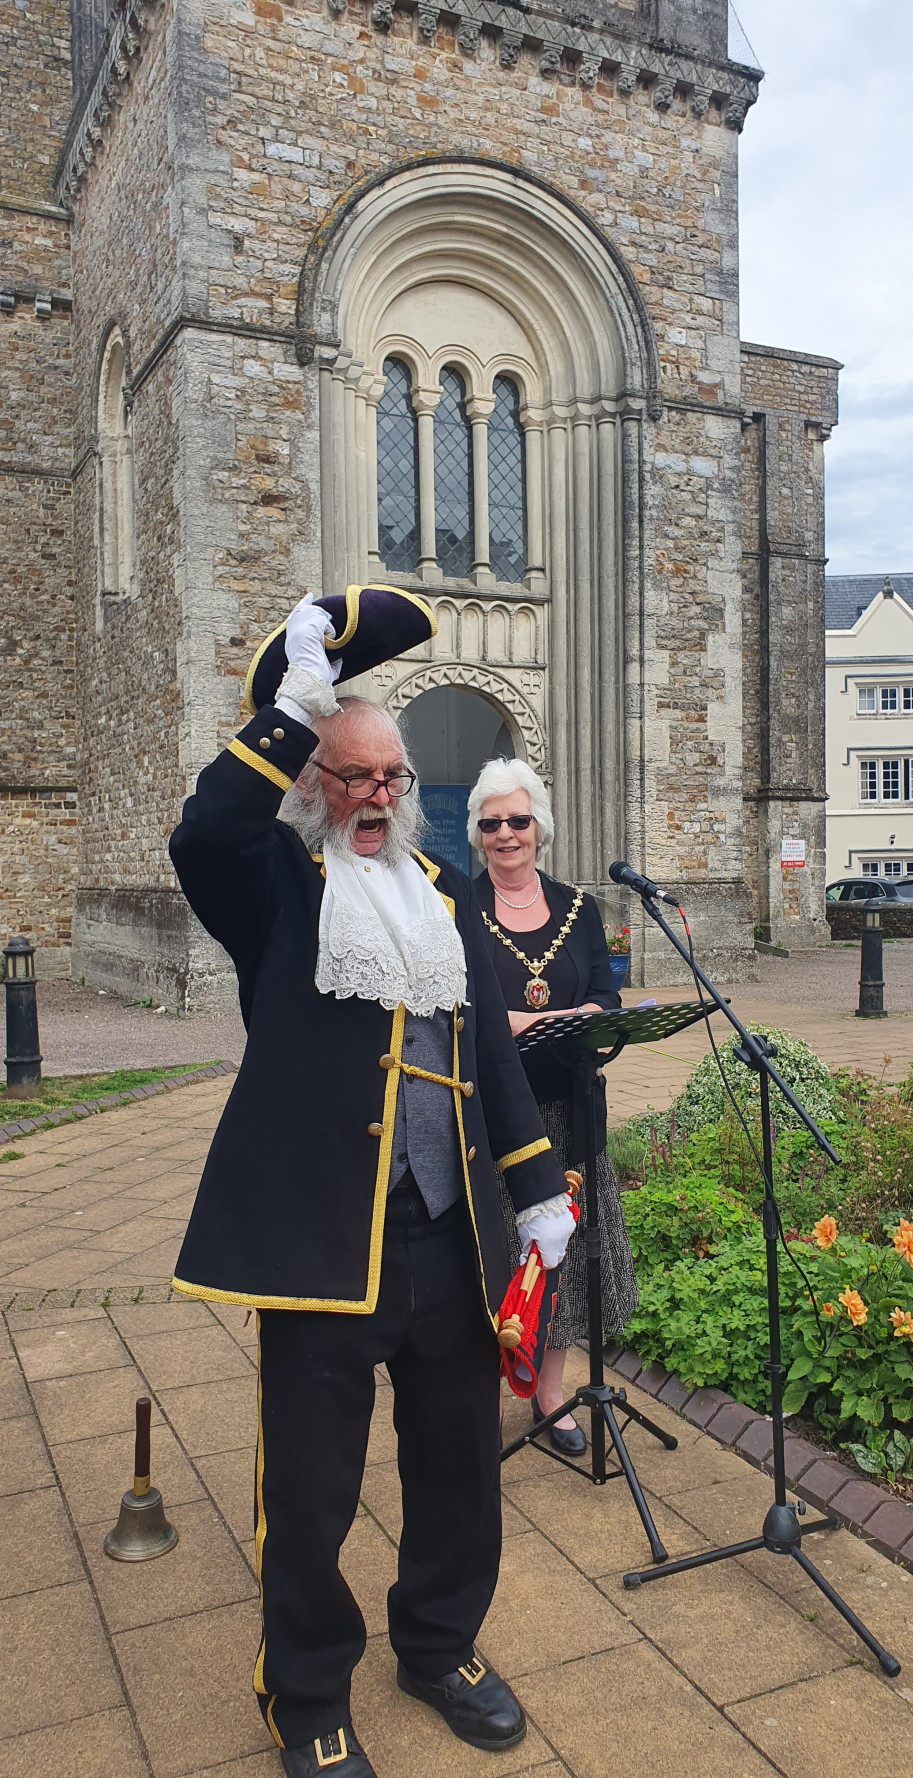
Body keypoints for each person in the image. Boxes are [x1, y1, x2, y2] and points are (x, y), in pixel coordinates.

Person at [169, 591, 577, 1778]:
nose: (380, 796)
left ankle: (438, 1642)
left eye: (393, 776)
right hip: (322, 1244)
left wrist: (539, 1192)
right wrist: (295, 710)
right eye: (354, 777)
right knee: (311, 1492)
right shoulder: (273, 889)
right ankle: (304, 1698)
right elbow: (204, 830)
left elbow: (489, 1053)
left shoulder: (443, 893)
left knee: (457, 1468)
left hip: (450, 1238)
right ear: (312, 784)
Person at [469, 759, 639, 1455]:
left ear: (541, 827)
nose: (506, 833)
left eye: (518, 819)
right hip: (494, 1117)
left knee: (564, 1260)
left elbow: (606, 995)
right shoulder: (457, 908)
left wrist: (586, 1014)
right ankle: (478, 1399)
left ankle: (550, 1400)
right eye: (491, 823)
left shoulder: (581, 908)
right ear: (478, 834)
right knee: (498, 1260)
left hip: (570, 1109)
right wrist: (499, 1022)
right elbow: (454, 1006)